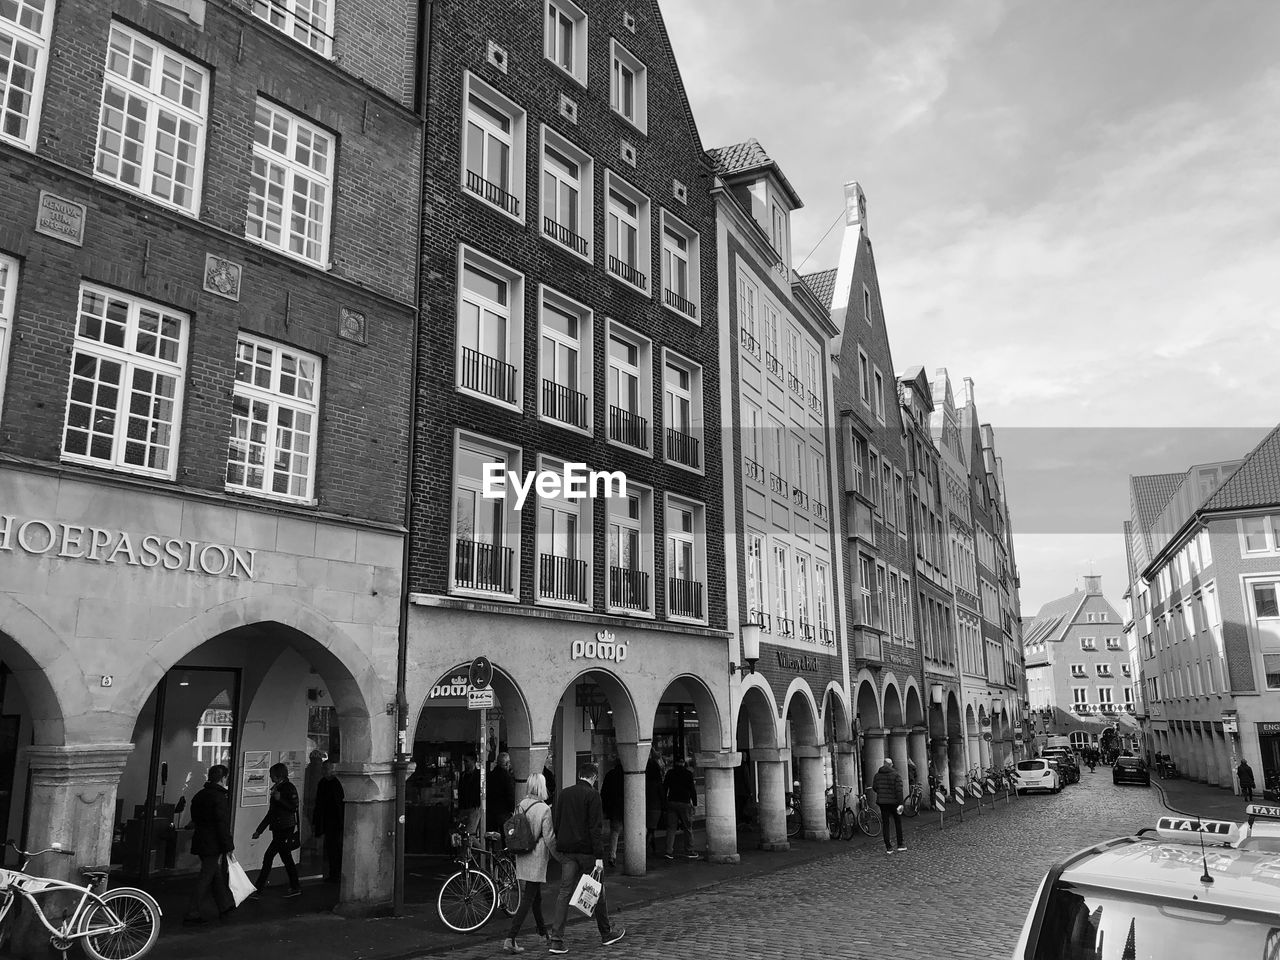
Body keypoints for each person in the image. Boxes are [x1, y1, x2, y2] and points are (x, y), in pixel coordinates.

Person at [547, 761, 625, 954]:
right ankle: (606, 933)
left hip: (567, 851)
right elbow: (595, 829)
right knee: (598, 891)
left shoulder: (564, 794)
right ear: (593, 777)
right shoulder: (593, 796)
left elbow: (557, 822)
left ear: (579, 775)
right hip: (587, 852)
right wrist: (599, 856)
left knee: (564, 893)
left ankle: (556, 939)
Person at [503, 773, 555, 954]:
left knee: (535, 895)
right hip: (537, 855)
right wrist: (560, 857)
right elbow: (549, 837)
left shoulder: (521, 805)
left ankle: (543, 933)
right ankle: (511, 937)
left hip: (522, 854)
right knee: (529, 897)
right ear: (542, 786)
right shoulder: (544, 809)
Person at [183, 764, 235, 924]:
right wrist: (228, 845)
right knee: (206, 876)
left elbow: (195, 818)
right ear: (223, 778)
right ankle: (192, 912)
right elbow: (222, 823)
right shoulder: (219, 798)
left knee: (215, 873)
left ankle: (224, 905)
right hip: (213, 842)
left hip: (201, 839)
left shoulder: (200, 795)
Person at [252, 762, 301, 897]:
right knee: (285, 858)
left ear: (277, 775)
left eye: (271, 774)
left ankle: (259, 888)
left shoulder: (288, 788)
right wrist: (259, 830)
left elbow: (293, 807)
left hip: (285, 828)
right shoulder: (278, 788)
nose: (269, 776)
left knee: (270, 857)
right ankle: (295, 886)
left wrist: (280, 800)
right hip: (280, 828)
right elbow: (271, 813)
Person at [312, 759, 345, 883]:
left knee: (335, 848)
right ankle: (333, 873)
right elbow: (319, 803)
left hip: (336, 821)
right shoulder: (323, 783)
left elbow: (338, 804)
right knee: (331, 848)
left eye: (326, 769)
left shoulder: (337, 783)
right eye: (323, 769)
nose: (323, 771)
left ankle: (336, 874)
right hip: (328, 820)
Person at [662, 755, 698, 860]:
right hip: (685, 802)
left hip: (672, 801)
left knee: (671, 828)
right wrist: (694, 803)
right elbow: (692, 790)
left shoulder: (670, 773)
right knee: (687, 827)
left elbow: (665, 787)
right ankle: (689, 850)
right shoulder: (688, 774)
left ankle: (668, 851)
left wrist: (664, 801)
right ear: (683, 763)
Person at [872, 757, 905, 854]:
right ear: (891, 765)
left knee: (885, 824)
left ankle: (888, 847)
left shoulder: (877, 775)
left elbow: (875, 788)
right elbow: (899, 791)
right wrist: (901, 803)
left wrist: (882, 793)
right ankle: (900, 844)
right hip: (894, 802)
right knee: (897, 822)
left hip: (883, 803)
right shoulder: (896, 775)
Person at [600, 759, 624, 868]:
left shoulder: (610, 774)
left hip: (614, 808)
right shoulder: (627, 775)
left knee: (614, 832)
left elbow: (604, 792)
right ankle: (632, 854)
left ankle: (612, 855)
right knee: (631, 831)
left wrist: (606, 807)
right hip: (627, 807)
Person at [488, 751, 517, 836]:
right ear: (507, 763)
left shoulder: (491, 775)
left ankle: (491, 849)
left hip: (491, 811)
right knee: (506, 837)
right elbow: (510, 795)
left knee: (492, 837)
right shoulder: (507, 777)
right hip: (504, 812)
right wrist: (512, 809)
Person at [644, 750, 664, 852]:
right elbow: (662, 796)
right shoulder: (657, 783)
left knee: (649, 828)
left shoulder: (644, 783)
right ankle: (647, 847)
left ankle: (652, 846)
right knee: (652, 829)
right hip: (655, 808)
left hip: (645, 807)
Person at [458, 754, 481, 836]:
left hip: (473, 807)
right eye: (464, 761)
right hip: (464, 807)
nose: (465, 763)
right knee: (463, 833)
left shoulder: (479, 775)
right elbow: (460, 791)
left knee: (469, 833)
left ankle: (480, 848)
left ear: (473, 761)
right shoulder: (463, 775)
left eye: (466, 761)